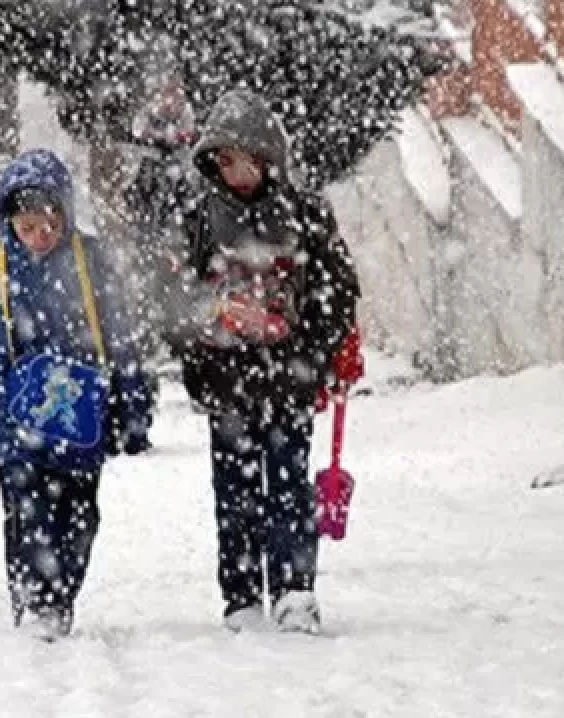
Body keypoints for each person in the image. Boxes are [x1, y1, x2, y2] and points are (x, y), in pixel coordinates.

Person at [157, 90, 361, 634]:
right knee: (235, 493)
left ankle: (296, 590)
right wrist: (213, 320)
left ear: (267, 156)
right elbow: (174, 298)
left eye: (241, 159)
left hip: (289, 380)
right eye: (222, 161)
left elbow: (337, 290)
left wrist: (307, 341)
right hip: (227, 385)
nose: (233, 172)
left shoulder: (306, 215)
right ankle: (242, 595)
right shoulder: (198, 219)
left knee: (289, 486)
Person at [0, 148, 152, 641]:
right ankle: (33, 602)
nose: (39, 237)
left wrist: (134, 410)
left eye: (49, 225)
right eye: (27, 227)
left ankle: (62, 595)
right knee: (25, 514)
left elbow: (122, 338)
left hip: (80, 417)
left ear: (66, 216)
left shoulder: (92, 263)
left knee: (79, 516)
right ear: (9, 221)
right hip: (13, 418)